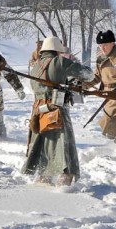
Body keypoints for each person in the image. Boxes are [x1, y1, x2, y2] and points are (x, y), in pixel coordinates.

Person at [22, 36, 95, 186]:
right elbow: (88, 75)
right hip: (56, 110)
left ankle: (44, 176)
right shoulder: (60, 62)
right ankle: (65, 178)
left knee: (43, 143)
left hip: (38, 111)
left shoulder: (36, 66)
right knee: (63, 144)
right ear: (57, 50)